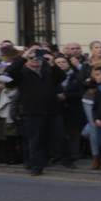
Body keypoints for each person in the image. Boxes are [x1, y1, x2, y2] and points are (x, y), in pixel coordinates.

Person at [9, 48, 64, 176]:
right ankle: (36, 165)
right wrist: (24, 57)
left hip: (51, 111)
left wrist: (52, 63)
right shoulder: (22, 73)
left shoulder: (47, 72)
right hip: (32, 112)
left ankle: (45, 160)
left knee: (52, 138)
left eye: (38, 58)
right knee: (35, 140)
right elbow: (11, 71)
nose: (35, 61)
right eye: (31, 58)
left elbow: (61, 77)